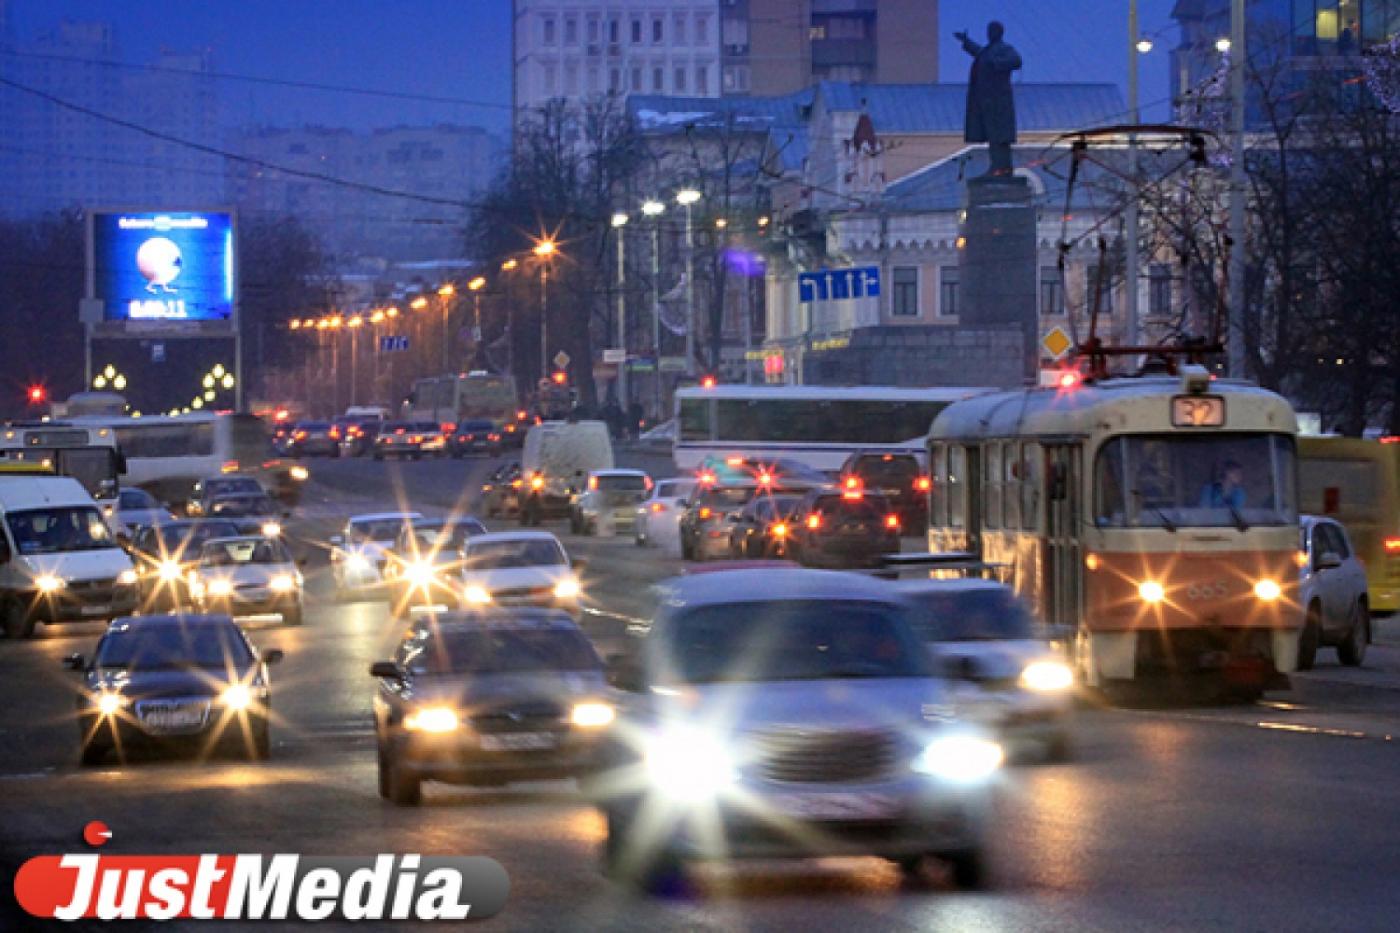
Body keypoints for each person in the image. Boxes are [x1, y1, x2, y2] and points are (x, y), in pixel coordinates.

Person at [955, 21, 1023, 176]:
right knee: (993, 136)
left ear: (999, 33)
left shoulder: (1005, 48)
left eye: (992, 31)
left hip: (999, 101)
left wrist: (997, 63)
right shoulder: (988, 50)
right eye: (988, 31)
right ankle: (997, 166)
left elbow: (1017, 61)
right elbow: (979, 53)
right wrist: (966, 41)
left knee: (1000, 136)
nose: (989, 34)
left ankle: (1002, 166)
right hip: (987, 100)